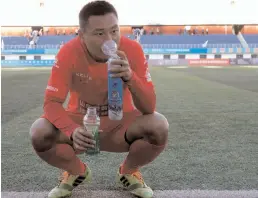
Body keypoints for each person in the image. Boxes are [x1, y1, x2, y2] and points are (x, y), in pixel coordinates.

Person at [29, 1, 169, 198]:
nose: (110, 39)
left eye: (114, 30)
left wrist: (130, 76)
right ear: (82, 35)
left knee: (159, 125)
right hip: (82, 127)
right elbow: (51, 102)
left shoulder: (133, 49)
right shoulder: (68, 52)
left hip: (121, 126)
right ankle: (77, 171)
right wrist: (71, 130)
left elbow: (149, 107)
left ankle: (128, 172)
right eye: (100, 33)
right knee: (39, 131)